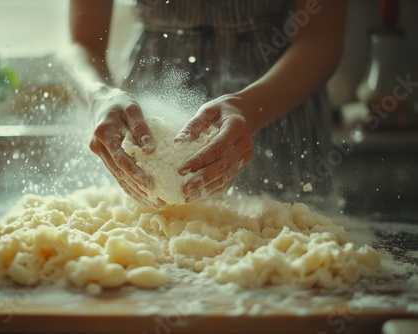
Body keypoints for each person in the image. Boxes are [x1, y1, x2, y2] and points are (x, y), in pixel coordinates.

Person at [66, 0, 348, 208]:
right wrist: (100, 95)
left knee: (293, 247)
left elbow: (321, 37)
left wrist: (248, 107)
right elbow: (82, 44)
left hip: (278, 96)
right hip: (151, 83)